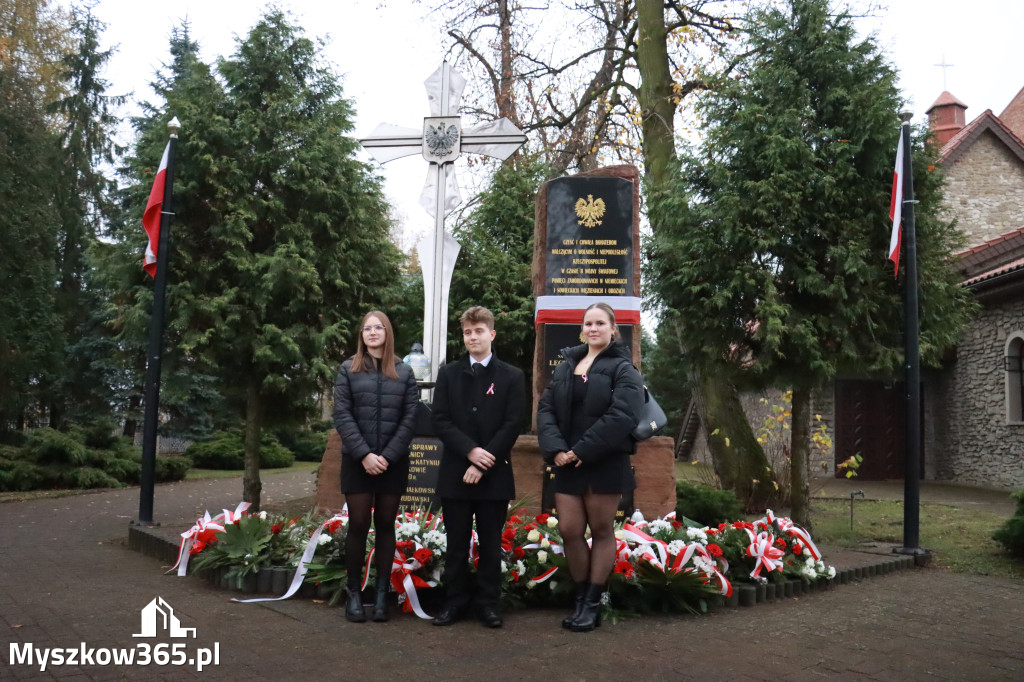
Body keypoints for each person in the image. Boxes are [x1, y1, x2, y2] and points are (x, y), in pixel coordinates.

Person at [536, 302, 643, 632]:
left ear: (613, 328)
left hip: (603, 461)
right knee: (569, 529)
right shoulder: (567, 364)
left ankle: (593, 603)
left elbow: (623, 415)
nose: (593, 328)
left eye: (600, 323)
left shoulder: (624, 369)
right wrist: (556, 449)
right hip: (567, 461)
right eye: (588, 323)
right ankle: (581, 597)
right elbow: (546, 408)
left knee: (600, 530)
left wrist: (585, 449)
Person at [430, 306, 526, 628]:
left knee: (490, 544)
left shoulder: (512, 376)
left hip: (494, 475)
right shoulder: (449, 374)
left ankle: (488, 605)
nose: (473, 337)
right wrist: (470, 451)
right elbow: (440, 420)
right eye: (468, 332)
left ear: (491, 334)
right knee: (455, 544)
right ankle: (454, 603)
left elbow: (513, 424)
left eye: (479, 331)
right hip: (455, 472)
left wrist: (485, 461)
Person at [333, 311, 419, 623]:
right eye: (367, 328)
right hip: (358, 462)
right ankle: (354, 594)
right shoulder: (347, 370)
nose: (372, 332)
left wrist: (387, 456)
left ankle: (382, 595)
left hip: (392, 463)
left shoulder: (404, 372)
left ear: (387, 332)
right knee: (357, 524)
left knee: (385, 525)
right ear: (361, 335)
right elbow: (342, 415)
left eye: (378, 327)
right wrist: (365, 455)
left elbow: (411, 419)